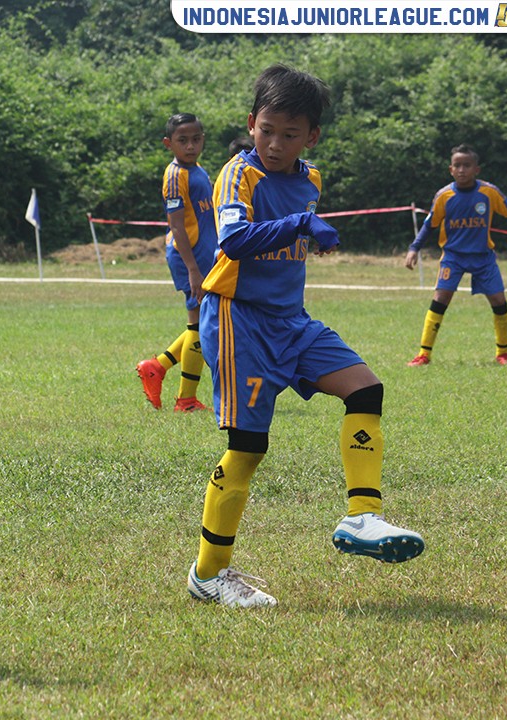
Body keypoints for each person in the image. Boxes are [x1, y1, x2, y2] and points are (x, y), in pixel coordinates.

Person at [188, 64, 424, 608]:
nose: (275, 143)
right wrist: (301, 226)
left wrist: (306, 229)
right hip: (238, 320)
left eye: (289, 134)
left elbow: (290, 234)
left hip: (292, 321)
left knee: (365, 389)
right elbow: (235, 240)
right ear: (251, 124)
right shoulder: (237, 174)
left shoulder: (310, 179)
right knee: (247, 450)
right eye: (266, 129)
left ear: (311, 137)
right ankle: (209, 575)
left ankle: (362, 516)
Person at [404, 143, 507, 366]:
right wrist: (414, 248)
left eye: (467, 165)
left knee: (498, 300)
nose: (461, 170)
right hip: (453, 257)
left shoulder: (488, 192)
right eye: (457, 165)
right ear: (450, 169)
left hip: (483, 257)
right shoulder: (444, 196)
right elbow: (429, 225)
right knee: (440, 299)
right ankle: (423, 354)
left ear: (477, 169)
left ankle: (503, 353)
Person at [135, 113, 217, 413]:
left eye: (196, 139)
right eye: (183, 141)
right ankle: (185, 399)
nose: (191, 146)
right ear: (169, 144)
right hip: (190, 257)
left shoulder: (197, 169)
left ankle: (157, 366)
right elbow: (177, 226)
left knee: (204, 322)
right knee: (199, 325)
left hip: (206, 256)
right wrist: (193, 269)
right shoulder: (174, 175)